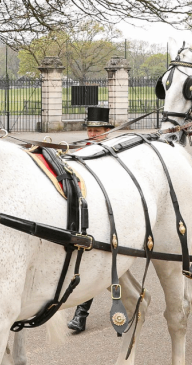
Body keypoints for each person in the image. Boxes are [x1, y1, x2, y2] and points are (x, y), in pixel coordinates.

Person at [67, 106, 115, 333]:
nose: (92, 134)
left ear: (107, 131)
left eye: (97, 131)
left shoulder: (114, 153)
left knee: (97, 264)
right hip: (87, 213)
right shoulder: (82, 150)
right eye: (90, 130)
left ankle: (81, 314)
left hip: (111, 213)